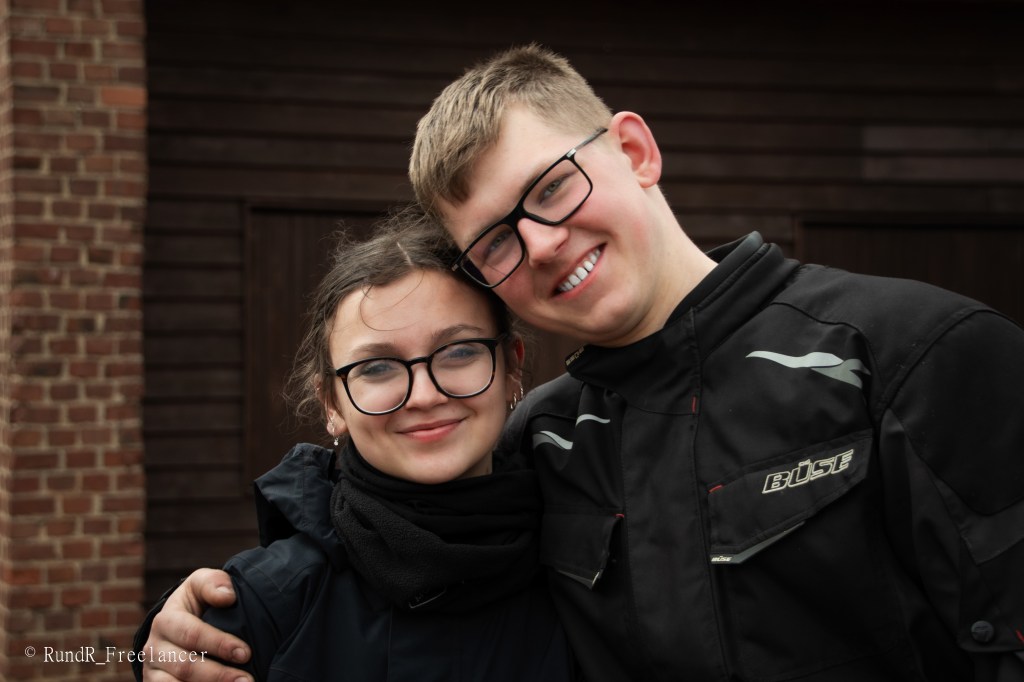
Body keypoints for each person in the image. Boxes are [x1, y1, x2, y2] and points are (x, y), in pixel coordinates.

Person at [141, 44, 1024, 681]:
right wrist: (201, 619)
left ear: (634, 151)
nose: (541, 243)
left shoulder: (916, 353)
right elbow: (394, 529)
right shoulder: (544, 439)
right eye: (494, 241)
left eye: (552, 188)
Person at [132, 210, 579, 681]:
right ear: (332, 405)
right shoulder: (265, 606)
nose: (425, 395)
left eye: (459, 352)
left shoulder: (586, 565)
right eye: (377, 368)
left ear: (511, 367)